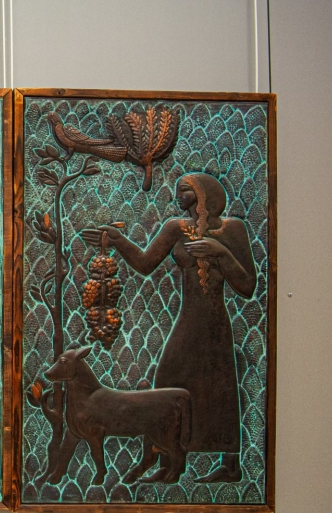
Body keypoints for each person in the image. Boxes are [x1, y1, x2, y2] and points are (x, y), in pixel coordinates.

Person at [82, 173, 257, 483]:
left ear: (203, 194)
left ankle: (230, 464)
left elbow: (247, 286)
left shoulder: (233, 229)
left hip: (215, 322)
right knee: (169, 378)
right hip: (188, 318)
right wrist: (118, 241)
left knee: (220, 388)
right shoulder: (176, 228)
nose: (178, 196)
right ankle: (166, 460)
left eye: (185, 190)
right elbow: (145, 263)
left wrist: (220, 252)